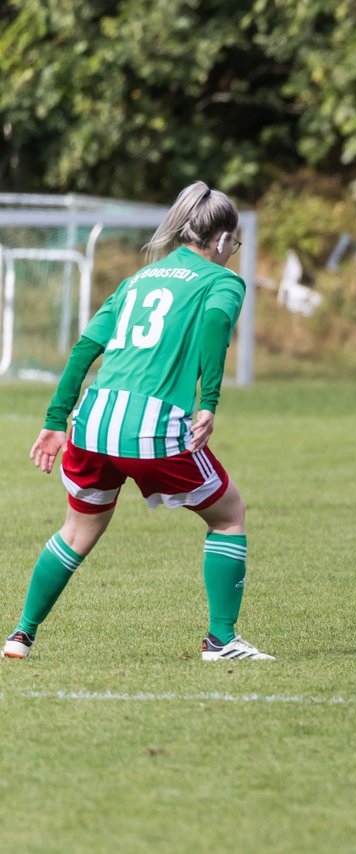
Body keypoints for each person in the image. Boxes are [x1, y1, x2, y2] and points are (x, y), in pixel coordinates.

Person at [3, 182, 273, 661]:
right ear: (220, 239)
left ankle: (21, 635)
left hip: (91, 422)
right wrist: (208, 400)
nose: (234, 251)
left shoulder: (137, 281)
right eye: (235, 241)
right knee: (229, 515)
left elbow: (86, 349)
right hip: (152, 429)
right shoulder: (221, 281)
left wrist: (54, 419)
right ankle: (222, 640)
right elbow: (214, 327)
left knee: (78, 531)